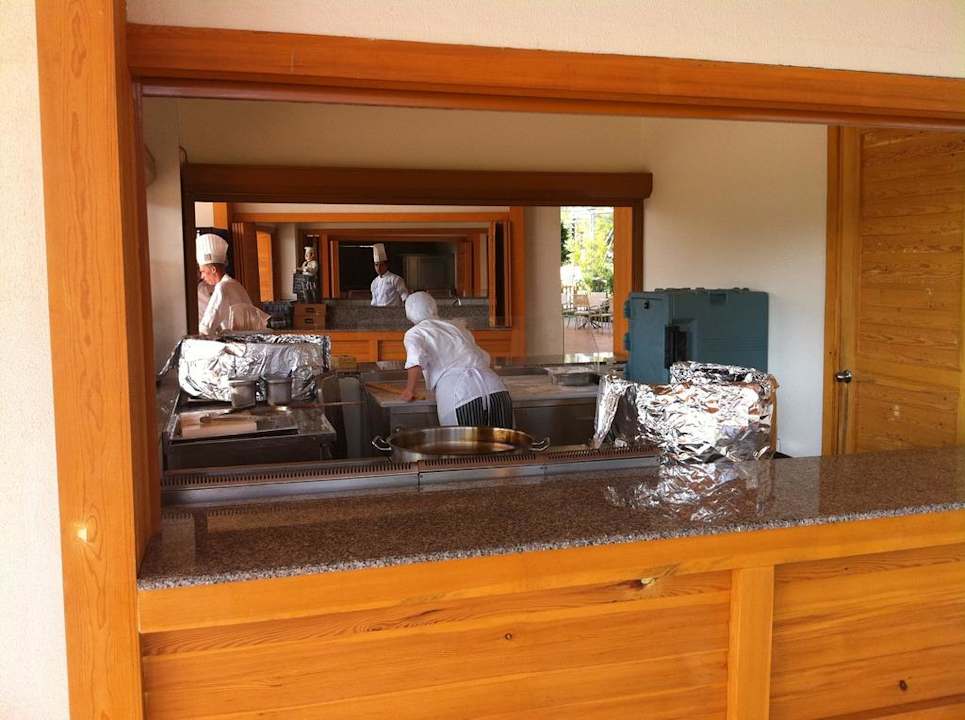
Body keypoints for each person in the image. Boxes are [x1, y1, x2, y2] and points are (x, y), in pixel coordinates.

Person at [401, 292, 513, 427]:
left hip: (460, 394)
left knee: (465, 441)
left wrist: (410, 389)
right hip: (496, 388)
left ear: (409, 314)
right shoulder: (457, 326)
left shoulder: (414, 332)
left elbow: (415, 360)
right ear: (434, 307)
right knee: (503, 440)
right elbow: (484, 358)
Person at [196, 233, 270, 336]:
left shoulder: (222, 287)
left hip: (233, 343)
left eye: (203, 271)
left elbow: (207, 327)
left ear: (213, 269)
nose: (202, 276)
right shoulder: (236, 285)